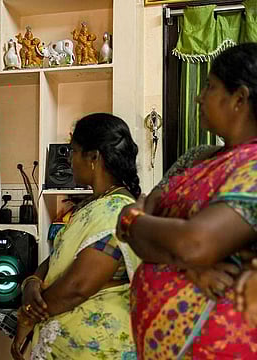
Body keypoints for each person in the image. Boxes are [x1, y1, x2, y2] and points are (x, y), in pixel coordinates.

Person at [116, 43, 257, 359]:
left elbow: (194, 243)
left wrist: (143, 227)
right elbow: (137, 213)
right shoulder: (196, 158)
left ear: (240, 99)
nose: (199, 96)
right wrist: (187, 263)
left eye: (210, 87)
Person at [11, 113, 141, 360]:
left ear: (94, 157)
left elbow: (77, 288)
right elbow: (56, 259)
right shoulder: (94, 205)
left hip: (97, 348)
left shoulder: (115, 211)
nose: (70, 160)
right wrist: (31, 283)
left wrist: (27, 315)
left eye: (73, 151)